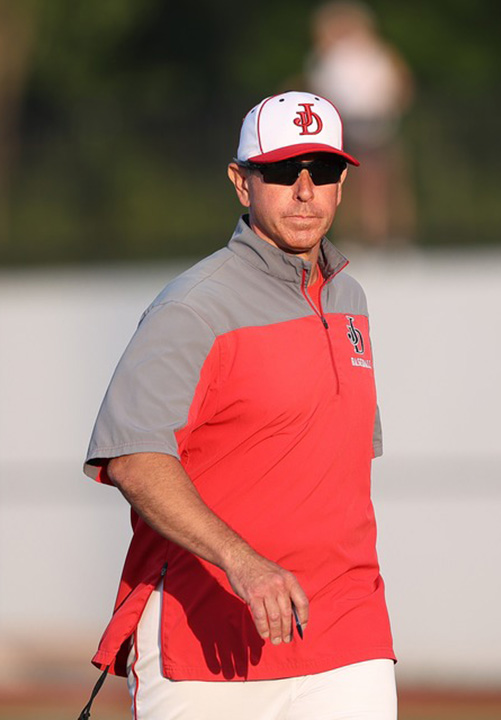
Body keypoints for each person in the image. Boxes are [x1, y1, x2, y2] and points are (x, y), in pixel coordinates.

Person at [82, 91, 396, 720]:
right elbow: (134, 458)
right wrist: (245, 564)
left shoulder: (349, 298)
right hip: (207, 639)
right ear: (241, 182)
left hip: (345, 631)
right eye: (282, 172)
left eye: (323, 171)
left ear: (341, 183)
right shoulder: (193, 307)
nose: (305, 191)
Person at [306, 0, 416, 246]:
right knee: (345, 185)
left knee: (385, 183)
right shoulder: (327, 60)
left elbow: (401, 84)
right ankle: (355, 237)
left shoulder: (376, 55)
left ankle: (393, 236)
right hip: (348, 125)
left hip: (378, 123)